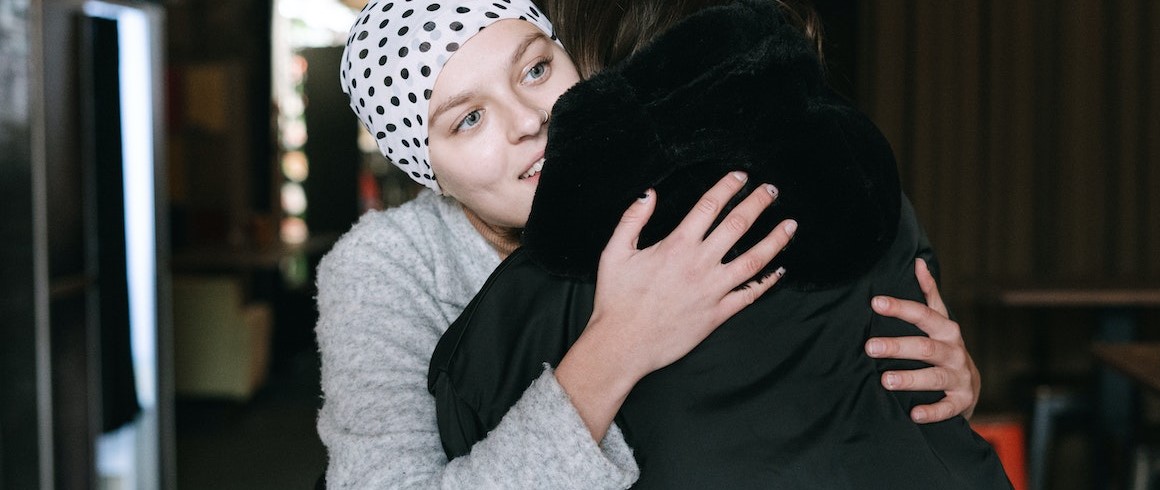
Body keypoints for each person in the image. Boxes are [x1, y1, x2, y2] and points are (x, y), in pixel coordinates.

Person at [317, 0, 980, 487]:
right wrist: (618, 345)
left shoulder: (663, 193)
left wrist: (932, 383)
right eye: (468, 119)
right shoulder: (384, 269)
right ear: (427, 169)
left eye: (536, 69)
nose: (528, 120)